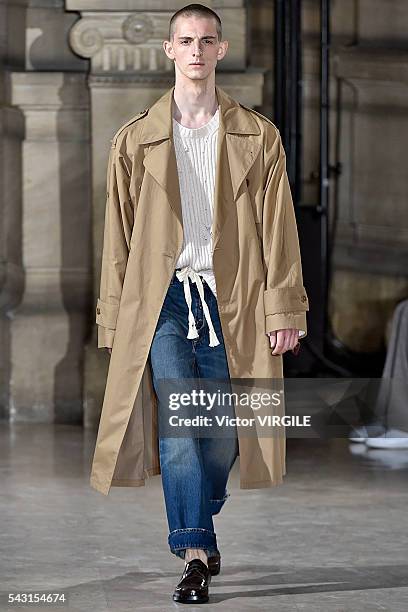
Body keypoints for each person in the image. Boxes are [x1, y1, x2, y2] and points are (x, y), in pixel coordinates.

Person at [93, 3, 309, 605]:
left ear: (221, 49)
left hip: (229, 299)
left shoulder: (257, 136)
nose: (195, 50)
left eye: (206, 41)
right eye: (184, 40)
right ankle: (193, 550)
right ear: (169, 50)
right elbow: (119, 236)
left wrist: (284, 308)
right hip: (160, 302)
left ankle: (200, 513)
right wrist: (114, 315)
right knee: (181, 425)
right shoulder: (135, 140)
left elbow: (278, 229)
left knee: (221, 434)